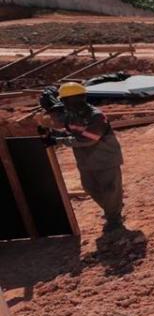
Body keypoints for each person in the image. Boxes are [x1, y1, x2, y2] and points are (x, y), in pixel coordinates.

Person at [38, 82, 125, 232]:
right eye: (63, 100)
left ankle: (114, 218)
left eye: (66, 100)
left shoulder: (95, 116)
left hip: (105, 159)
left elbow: (88, 139)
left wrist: (58, 140)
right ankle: (113, 208)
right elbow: (72, 132)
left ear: (80, 98)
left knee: (110, 189)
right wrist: (54, 134)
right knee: (90, 188)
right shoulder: (72, 115)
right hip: (86, 160)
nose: (64, 103)